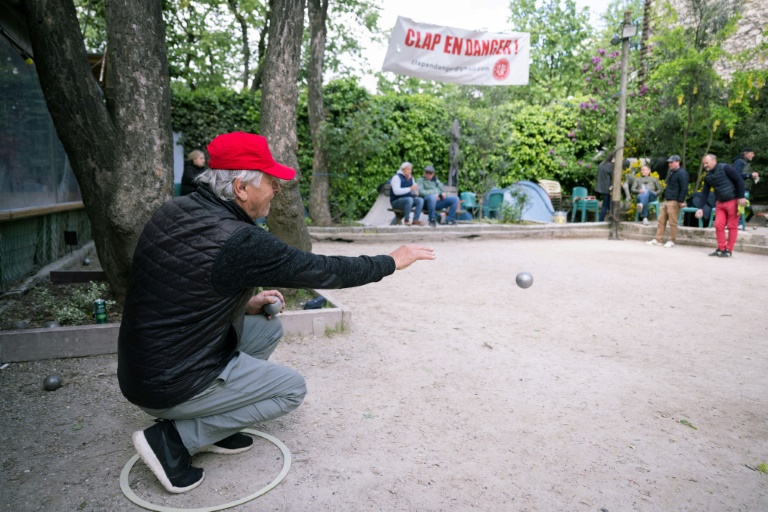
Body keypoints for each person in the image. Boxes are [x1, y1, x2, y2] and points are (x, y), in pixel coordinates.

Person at [118, 131, 436, 494]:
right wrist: (390, 261)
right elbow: (325, 270)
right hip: (168, 380)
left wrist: (243, 301)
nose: (277, 190)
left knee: (265, 328)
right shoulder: (240, 238)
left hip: (144, 367)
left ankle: (211, 421)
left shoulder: (176, 209)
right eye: (270, 181)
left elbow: (178, 286)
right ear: (241, 187)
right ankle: (174, 439)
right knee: (290, 390)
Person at [695, 153, 746, 257]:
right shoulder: (708, 176)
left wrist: (741, 196)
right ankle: (721, 248)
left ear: (714, 161)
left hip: (733, 200)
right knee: (718, 225)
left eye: (707, 163)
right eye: (704, 163)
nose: (705, 165)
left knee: (732, 226)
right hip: (720, 202)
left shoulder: (725, 168)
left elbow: (739, 180)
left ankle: (728, 250)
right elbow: (705, 192)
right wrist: (700, 208)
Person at [647, 155, 689, 248]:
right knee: (661, 220)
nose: (669, 164)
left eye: (671, 162)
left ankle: (671, 240)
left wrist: (681, 200)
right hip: (668, 199)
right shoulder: (672, 172)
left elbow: (684, 188)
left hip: (675, 200)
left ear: (678, 162)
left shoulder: (682, 173)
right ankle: (658, 239)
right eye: (669, 162)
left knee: (672, 222)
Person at [595, 150, 615, 222]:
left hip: (601, 186)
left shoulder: (602, 164)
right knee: (605, 205)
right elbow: (613, 176)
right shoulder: (610, 165)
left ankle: (608, 218)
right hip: (607, 187)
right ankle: (601, 220)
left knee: (607, 203)